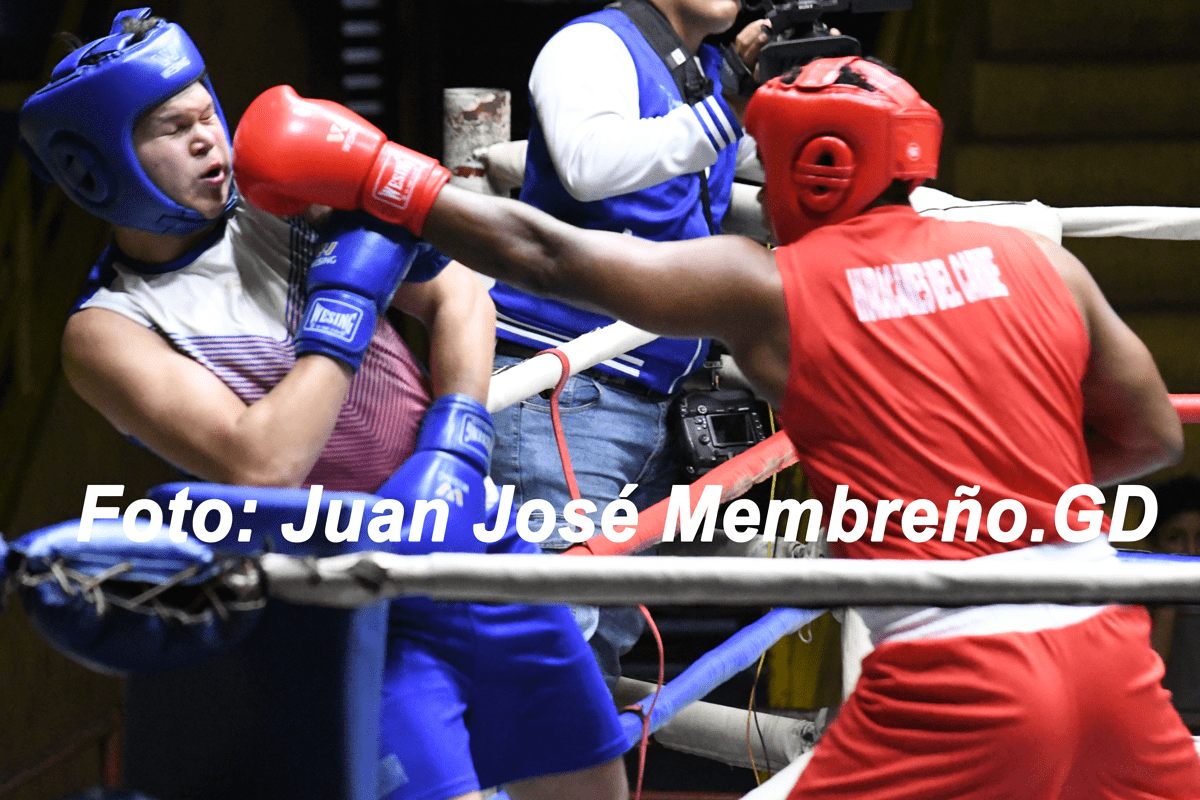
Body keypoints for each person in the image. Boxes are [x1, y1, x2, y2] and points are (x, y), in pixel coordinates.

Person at [232, 54, 1200, 797]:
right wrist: (1012, 494)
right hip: (1110, 641)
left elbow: (549, 252)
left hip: (957, 671)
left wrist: (374, 172)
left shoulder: (776, 285)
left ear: (814, 165)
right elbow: (1152, 436)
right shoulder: (1045, 264)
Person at [18, 10, 628, 800]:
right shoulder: (110, 330)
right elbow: (262, 459)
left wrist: (455, 445)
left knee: (591, 785)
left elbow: (459, 303)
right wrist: (344, 307)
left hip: (470, 538)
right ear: (97, 164)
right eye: (174, 128)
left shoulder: (282, 202)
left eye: (208, 112)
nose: (210, 138)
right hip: (340, 596)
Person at [487, 0, 767, 681]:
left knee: (596, 650)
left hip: (648, 397)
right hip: (562, 390)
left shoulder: (701, 71)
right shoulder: (592, 46)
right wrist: (729, 96)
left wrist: (820, 100)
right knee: (554, 652)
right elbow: (589, 163)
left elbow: (772, 159)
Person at [1146, 474, 1200, 730]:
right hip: (1165, 730)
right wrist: (1167, 604)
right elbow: (1148, 683)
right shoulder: (1138, 602)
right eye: (1176, 537)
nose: (1190, 549)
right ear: (1153, 544)